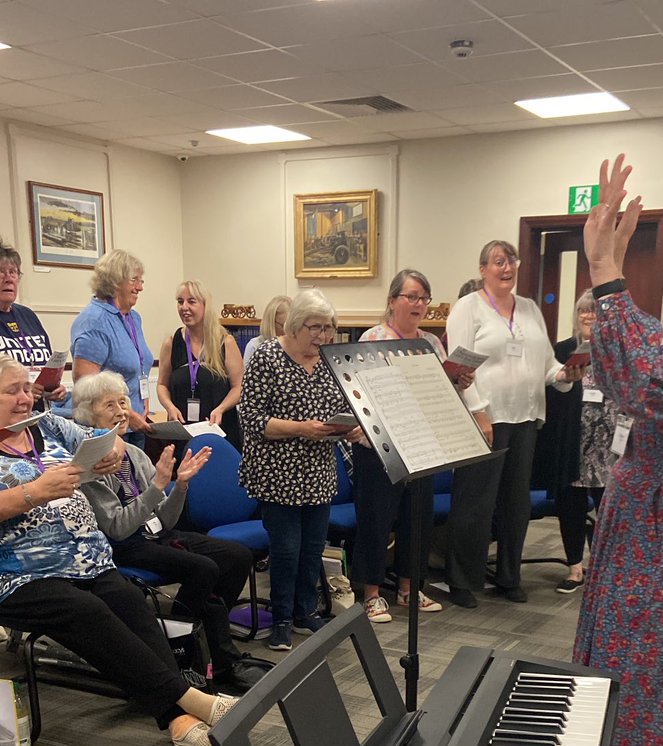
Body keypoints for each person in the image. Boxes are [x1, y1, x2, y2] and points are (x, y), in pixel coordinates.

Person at [0, 355, 237, 746]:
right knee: (87, 611)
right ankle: (187, 701)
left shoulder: (45, 425)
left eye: (27, 388)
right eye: (13, 391)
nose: (26, 398)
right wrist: (34, 493)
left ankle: (177, 719)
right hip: (22, 574)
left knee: (130, 602)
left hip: (88, 560)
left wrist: (108, 453)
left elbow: (107, 437)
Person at [574, 154, 663, 746]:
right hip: (653, 540)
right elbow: (640, 372)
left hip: (659, 560)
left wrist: (606, 272)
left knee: (641, 715)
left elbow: (647, 383)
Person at [72, 371, 272, 693]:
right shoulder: (91, 466)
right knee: (203, 569)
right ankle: (185, 640)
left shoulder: (135, 454)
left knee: (237, 556)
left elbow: (165, 521)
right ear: (87, 414)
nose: (121, 411)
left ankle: (196, 632)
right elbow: (119, 529)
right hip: (123, 546)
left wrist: (179, 486)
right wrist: (157, 488)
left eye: (123, 402)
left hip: (154, 535)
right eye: (110, 405)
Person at [444, 240, 578, 609]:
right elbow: (459, 367)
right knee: (475, 503)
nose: (507, 268)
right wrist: (479, 412)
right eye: (499, 262)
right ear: (483, 269)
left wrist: (565, 374)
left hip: (525, 417)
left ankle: (508, 576)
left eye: (511, 261)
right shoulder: (468, 308)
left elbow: (547, 363)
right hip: (485, 418)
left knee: (516, 504)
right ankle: (461, 580)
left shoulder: (530, 309)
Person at [239, 289, 358, 651]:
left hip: (318, 472)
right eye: (316, 327)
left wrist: (351, 427)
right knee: (286, 550)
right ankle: (281, 620)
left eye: (329, 328)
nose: (324, 336)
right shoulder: (267, 357)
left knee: (312, 548)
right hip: (278, 473)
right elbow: (251, 419)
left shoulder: (329, 361)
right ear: (294, 325)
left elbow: (345, 407)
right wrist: (300, 428)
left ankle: (305, 612)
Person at [353, 269, 473, 623]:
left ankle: (410, 588)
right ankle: (372, 594)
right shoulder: (372, 338)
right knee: (376, 519)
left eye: (424, 298)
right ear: (392, 301)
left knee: (416, 518)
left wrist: (458, 381)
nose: (419, 304)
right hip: (379, 445)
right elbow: (359, 391)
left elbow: (438, 392)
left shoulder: (431, 343)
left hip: (421, 443)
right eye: (412, 296)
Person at [535, 290, 622, 593]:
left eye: (595, 311)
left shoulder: (616, 352)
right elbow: (551, 394)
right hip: (573, 442)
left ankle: (604, 568)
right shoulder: (562, 350)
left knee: (609, 510)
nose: (588, 316)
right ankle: (575, 568)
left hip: (609, 446)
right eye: (583, 310)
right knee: (570, 506)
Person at [70, 249, 154, 448]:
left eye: (141, 281)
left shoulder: (133, 318)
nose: (140, 287)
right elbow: (85, 384)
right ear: (115, 281)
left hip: (134, 424)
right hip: (107, 429)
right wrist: (127, 414)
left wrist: (141, 403)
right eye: (134, 280)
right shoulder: (94, 321)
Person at [156, 279, 244, 451]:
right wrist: (169, 407)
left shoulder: (225, 342)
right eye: (180, 302)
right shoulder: (171, 343)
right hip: (183, 433)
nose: (184, 307)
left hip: (219, 430)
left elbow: (239, 387)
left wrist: (221, 409)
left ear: (205, 305)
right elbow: (162, 385)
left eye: (191, 302)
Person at [0, 238, 68, 409]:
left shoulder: (27, 316)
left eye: (13, 272)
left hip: (38, 414)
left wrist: (52, 389)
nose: (8, 279)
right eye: (0, 272)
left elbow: (43, 368)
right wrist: (23, 388)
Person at [242, 294, 291, 367]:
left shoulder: (297, 348)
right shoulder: (254, 346)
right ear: (271, 323)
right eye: (284, 326)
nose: (289, 332)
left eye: (292, 326)